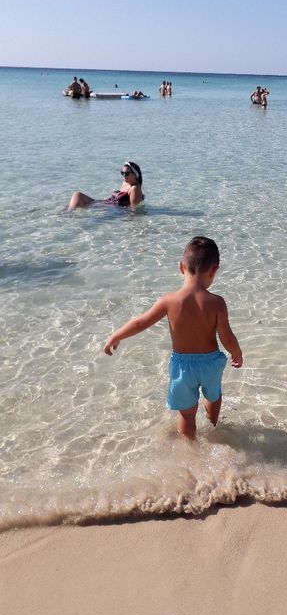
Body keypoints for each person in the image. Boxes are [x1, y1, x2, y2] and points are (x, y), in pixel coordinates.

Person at [104, 236, 243, 440]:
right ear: (214, 270)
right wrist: (236, 352)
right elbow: (227, 337)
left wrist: (116, 335)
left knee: (186, 413)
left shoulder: (169, 301)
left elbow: (140, 323)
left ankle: (190, 447)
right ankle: (213, 426)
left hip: (182, 366)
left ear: (180, 267)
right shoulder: (217, 303)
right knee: (213, 396)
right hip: (211, 363)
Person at [67, 161, 144, 211]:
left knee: (78, 197)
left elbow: (134, 209)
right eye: (122, 173)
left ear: (135, 174)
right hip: (105, 202)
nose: (124, 176)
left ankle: (67, 216)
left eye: (126, 173)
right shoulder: (126, 182)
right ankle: (66, 214)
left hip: (108, 208)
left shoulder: (135, 189)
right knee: (77, 196)